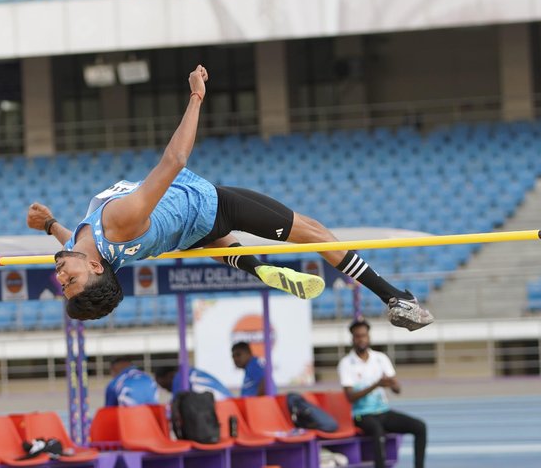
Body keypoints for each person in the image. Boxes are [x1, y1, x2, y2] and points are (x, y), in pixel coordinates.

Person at [27, 64, 433, 332]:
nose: (61, 278)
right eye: (71, 281)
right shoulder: (120, 221)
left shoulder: (76, 248)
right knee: (316, 232)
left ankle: (253, 268)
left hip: (190, 236)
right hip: (211, 208)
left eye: (65, 284)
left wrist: (49, 224)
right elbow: (174, 160)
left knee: (215, 244)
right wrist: (196, 97)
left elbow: (71, 241)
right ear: (96, 266)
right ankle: (396, 298)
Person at [337, 320, 434, 468]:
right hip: (361, 415)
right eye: (358, 336)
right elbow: (350, 397)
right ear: (352, 338)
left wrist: (392, 384)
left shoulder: (380, 359)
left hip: (383, 411)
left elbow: (397, 390)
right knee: (377, 431)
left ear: (369, 336)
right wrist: (376, 384)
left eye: (364, 335)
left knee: (420, 426)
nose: (361, 339)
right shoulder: (346, 363)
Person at [155, 365, 232, 401]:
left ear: (170, 376)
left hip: (220, 408)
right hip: (229, 404)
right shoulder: (190, 372)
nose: (167, 390)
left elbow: (173, 408)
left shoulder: (180, 378)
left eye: (166, 386)